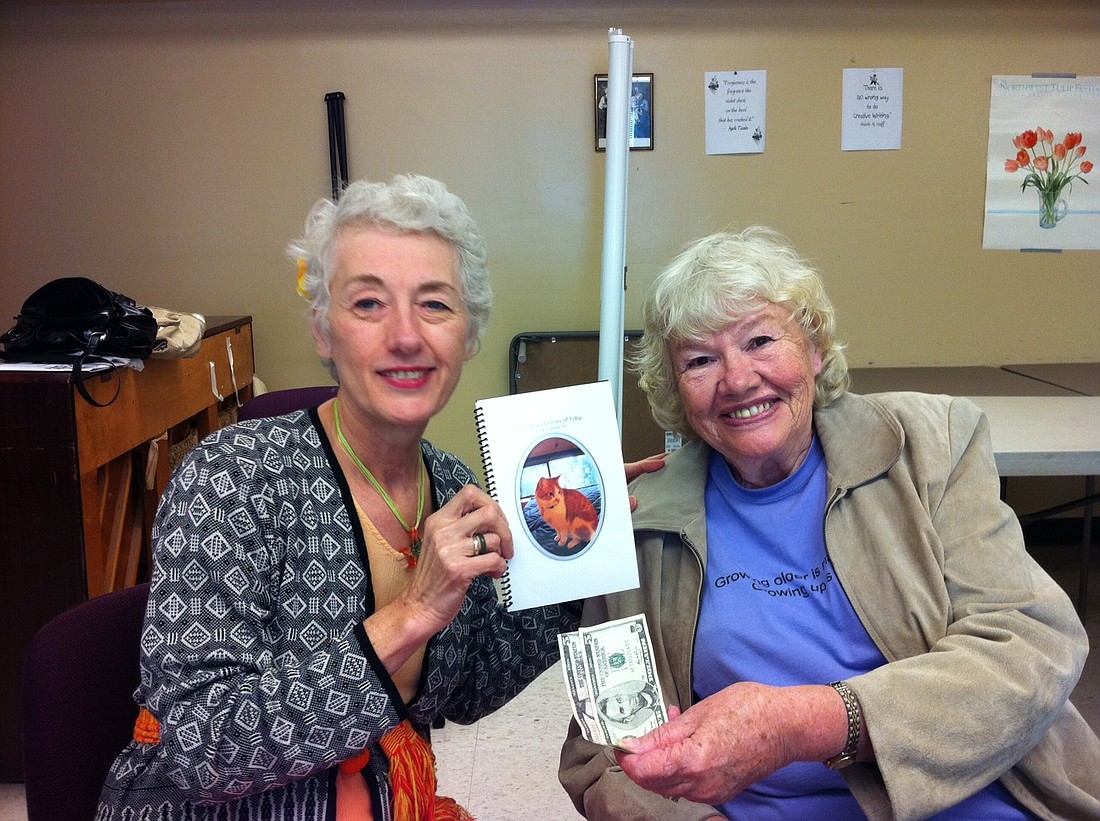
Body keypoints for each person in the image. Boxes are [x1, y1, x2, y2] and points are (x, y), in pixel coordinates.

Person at [559, 226, 1100, 820]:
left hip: (965, 801)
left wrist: (806, 723)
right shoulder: (643, 519)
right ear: (675, 389)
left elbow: (1029, 645)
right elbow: (603, 754)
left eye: (761, 340)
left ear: (815, 349)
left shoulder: (931, 447)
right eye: (700, 360)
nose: (737, 380)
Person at [97, 174, 581, 821]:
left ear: (468, 335)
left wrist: (579, 558)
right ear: (324, 331)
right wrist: (409, 612)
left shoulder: (450, 485)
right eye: (369, 304)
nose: (406, 335)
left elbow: (463, 689)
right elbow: (200, 746)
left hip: (387, 798)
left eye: (435, 304)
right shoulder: (233, 476)